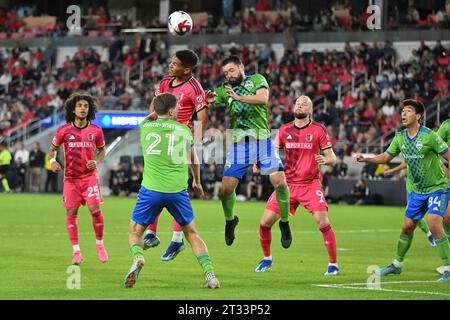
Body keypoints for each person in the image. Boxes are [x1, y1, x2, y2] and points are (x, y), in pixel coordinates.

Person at [123, 93, 219, 289]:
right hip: (177, 190)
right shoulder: (184, 130)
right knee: (192, 234)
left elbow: (150, 117)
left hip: (151, 190)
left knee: (135, 233)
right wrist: (197, 182)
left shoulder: (145, 127)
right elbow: (193, 160)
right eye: (177, 107)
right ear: (170, 110)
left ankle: (139, 257)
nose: (179, 110)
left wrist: (156, 109)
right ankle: (210, 275)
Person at [353, 99, 450, 282]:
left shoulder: (430, 136)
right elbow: (385, 157)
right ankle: (396, 265)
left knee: (434, 222)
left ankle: (448, 267)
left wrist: (447, 171)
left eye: (409, 111)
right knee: (407, 227)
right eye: (403, 111)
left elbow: (448, 155)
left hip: (437, 187)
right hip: (417, 190)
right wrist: (366, 159)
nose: (404, 114)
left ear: (418, 116)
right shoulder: (400, 137)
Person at [205, 55, 291, 248]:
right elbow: (207, 100)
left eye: (231, 71)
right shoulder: (223, 90)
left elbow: (263, 98)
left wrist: (238, 97)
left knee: (280, 183)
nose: (228, 75)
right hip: (239, 144)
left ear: (241, 67)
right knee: (226, 190)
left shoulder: (257, 79)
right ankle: (230, 220)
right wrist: (208, 101)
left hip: (262, 140)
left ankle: (284, 222)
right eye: (225, 73)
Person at [255, 95, 339, 275]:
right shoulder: (284, 130)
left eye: (304, 104)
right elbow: (271, 152)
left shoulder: (318, 130)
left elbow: (333, 158)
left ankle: (333, 265)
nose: (300, 105)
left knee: (322, 222)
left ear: (310, 110)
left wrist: (326, 160)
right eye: (298, 103)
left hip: (310, 184)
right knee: (264, 223)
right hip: (287, 185)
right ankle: (267, 259)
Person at [142, 50, 209, 262]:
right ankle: (154, 234)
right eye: (171, 61)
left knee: (174, 187)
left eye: (176, 63)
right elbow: (156, 106)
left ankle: (176, 238)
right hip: (162, 136)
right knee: (157, 183)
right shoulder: (165, 82)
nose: (171, 65)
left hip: (179, 139)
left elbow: (203, 115)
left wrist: (195, 140)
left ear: (187, 69)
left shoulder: (195, 87)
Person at [48, 92, 108, 265]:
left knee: (94, 209)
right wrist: (53, 161)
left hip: (89, 177)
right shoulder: (64, 131)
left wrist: (96, 161)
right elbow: (52, 150)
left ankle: (99, 244)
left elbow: (102, 150)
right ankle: (76, 252)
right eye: (80, 106)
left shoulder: (96, 130)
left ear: (89, 110)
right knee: (71, 212)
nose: (83, 109)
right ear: (73, 110)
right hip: (71, 179)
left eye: (86, 106)